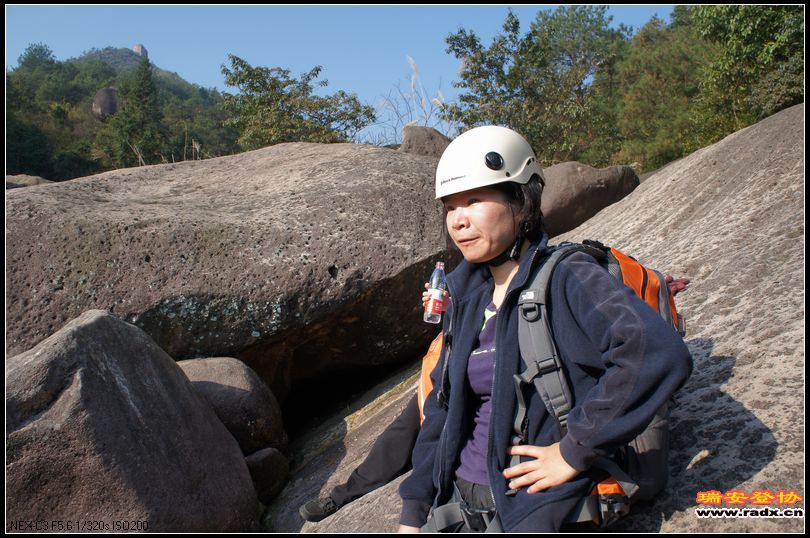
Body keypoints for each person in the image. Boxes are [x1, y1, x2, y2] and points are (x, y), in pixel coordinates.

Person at [396, 126, 693, 533]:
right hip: (458, 505)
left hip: (534, 508)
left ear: (521, 201)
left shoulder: (567, 276)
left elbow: (657, 354)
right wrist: (414, 513)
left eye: (475, 200)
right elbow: (442, 410)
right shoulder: (466, 296)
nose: (458, 221)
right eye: (450, 206)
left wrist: (574, 451)